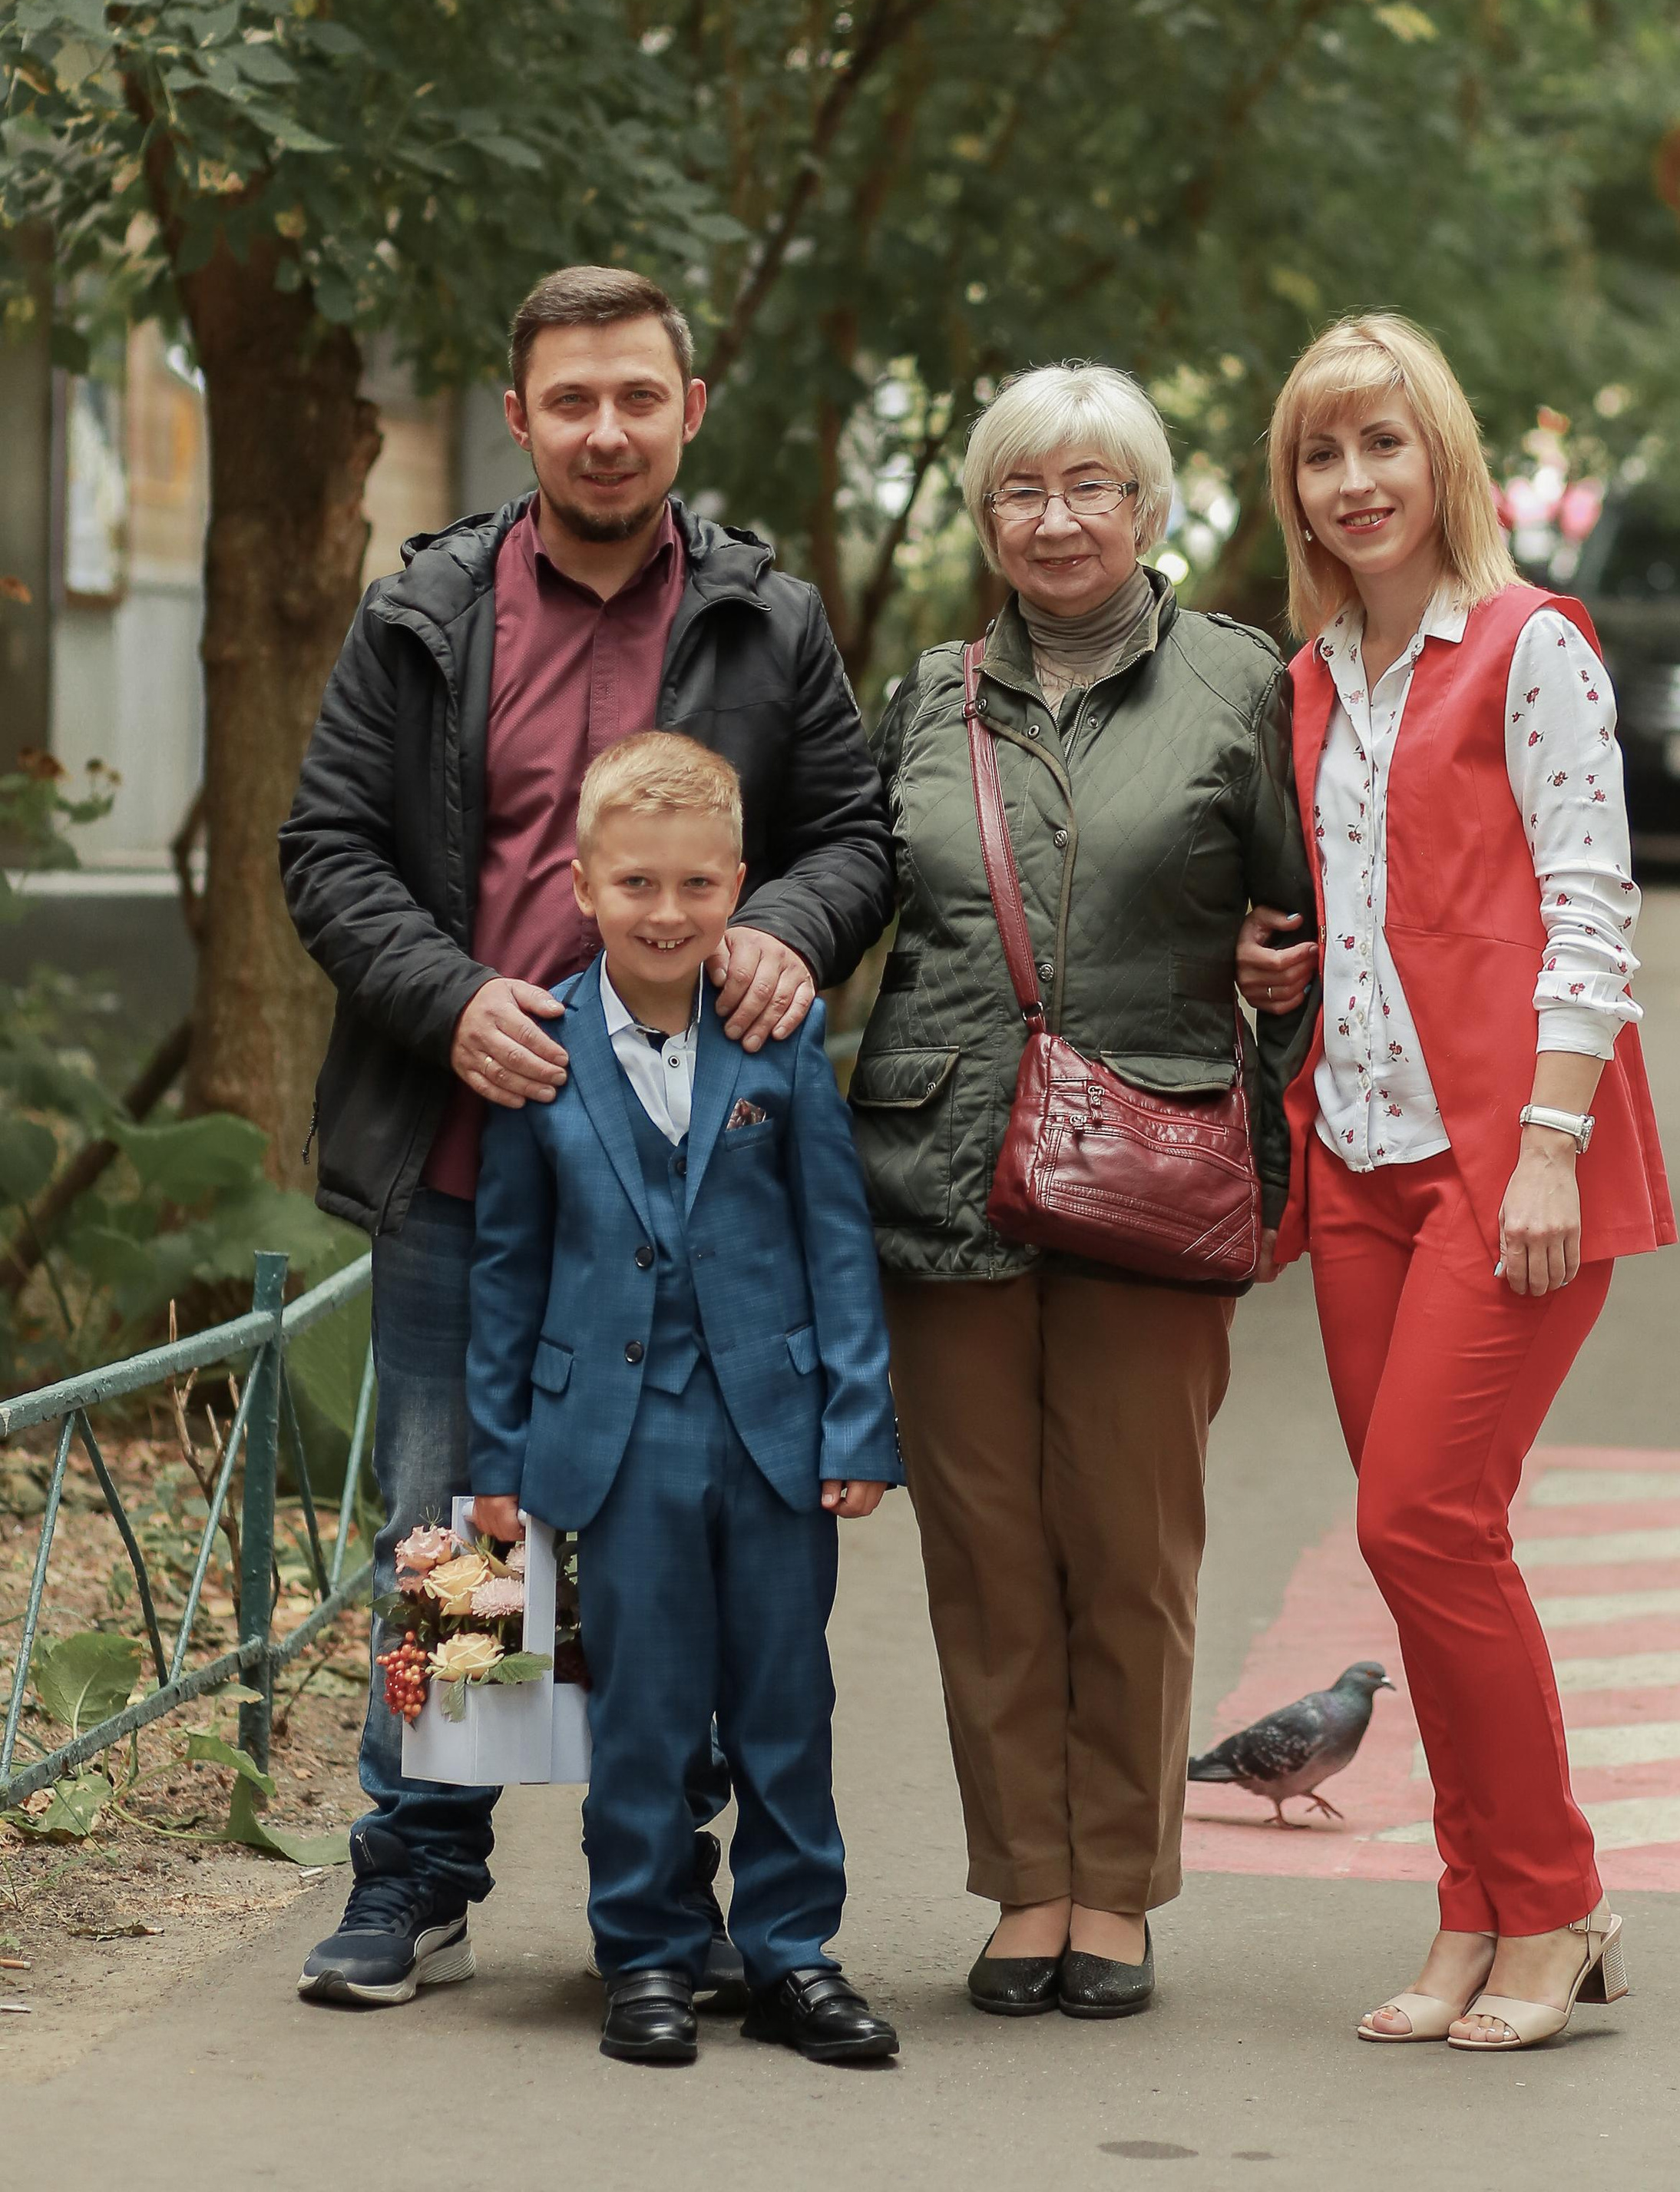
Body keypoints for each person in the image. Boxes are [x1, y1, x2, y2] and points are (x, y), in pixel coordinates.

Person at [280, 266, 894, 2008]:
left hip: (704, 1190)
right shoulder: (427, 614)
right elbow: (327, 849)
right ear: (518, 414)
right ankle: (421, 1877)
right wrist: (446, 995)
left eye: (638, 395)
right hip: (473, 1153)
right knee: (467, 1542)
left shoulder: (765, 621)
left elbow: (851, 832)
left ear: (689, 408)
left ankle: (675, 1908)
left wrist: (784, 923)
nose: (605, 429)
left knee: (675, 1546)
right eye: (571, 400)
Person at [851, 362, 1315, 2024]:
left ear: (1148, 507)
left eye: (1089, 489)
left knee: (1125, 1546)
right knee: (983, 1553)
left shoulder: (1239, 689)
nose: (1054, 522)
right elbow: (850, 892)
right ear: (986, 521)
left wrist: (1283, 992)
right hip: (941, 1177)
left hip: (1154, 1172)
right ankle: (1022, 1885)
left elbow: (1311, 913)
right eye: (1021, 495)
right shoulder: (925, 697)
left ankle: (1112, 1887)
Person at [1237, 310, 1673, 2055]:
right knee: (1431, 1552)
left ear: (1443, 461)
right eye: (1318, 456)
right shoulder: (1305, 675)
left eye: (1380, 445)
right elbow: (1376, 897)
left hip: (1508, 1163)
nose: (1352, 482)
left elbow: (1588, 899)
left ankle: (1549, 1901)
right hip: (1356, 1159)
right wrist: (1293, 973)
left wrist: (1551, 1141)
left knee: (1414, 1518)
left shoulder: (1527, 646)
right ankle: (1473, 1905)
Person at [469, 733, 903, 2068]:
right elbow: (506, 1266)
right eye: (638, 886)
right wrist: (497, 1455)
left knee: (786, 1701)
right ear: (584, 888)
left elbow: (838, 1241)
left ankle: (792, 1953)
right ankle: (648, 1950)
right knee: (647, 1713)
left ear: (739, 886)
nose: (668, 915)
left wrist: (858, 1422)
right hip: (615, 1439)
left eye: (697, 888)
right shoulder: (539, 1047)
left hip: (773, 1431)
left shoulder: (779, 1036)